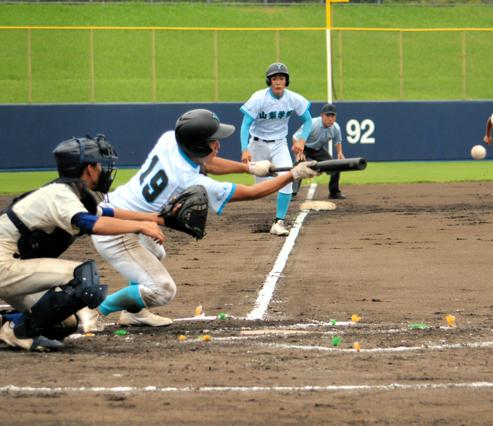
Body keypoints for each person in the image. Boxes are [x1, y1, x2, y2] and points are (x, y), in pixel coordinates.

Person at [84, 109, 319, 330]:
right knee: (163, 290)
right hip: (117, 230)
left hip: (123, 211)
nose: (218, 144)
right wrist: (292, 174)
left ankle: (134, 312)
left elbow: (207, 161)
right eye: (212, 141)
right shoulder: (188, 179)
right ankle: (96, 310)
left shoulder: (170, 140)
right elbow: (251, 193)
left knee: (156, 254)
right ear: (196, 145)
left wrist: (250, 169)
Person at [0, 135, 165, 351]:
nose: (103, 170)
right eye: (98, 164)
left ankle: (6, 323)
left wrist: (157, 218)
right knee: (82, 277)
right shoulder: (60, 195)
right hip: (4, 265)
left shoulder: (69, 194)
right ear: (88, 169)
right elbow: (90, 222)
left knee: (64, 323)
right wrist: (140, 227)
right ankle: (19, 331)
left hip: (12, 267)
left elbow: (107, 212)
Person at [239, 62, 314, 236]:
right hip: (257, 144)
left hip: (279, 144)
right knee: (259, 189)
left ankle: (278, 222)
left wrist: (302, 140)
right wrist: (244, 149)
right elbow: (245, 125)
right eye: (274, 78)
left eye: (281, 78)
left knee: (288, 179)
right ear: (269, 81)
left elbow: (308, 120)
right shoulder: (259, 98)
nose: (278, 82)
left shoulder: (293, 98)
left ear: (286, 81)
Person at [291, 103, 346, 199]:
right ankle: (292, 193)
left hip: (318, 149)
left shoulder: (336, 128)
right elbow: (295, 137)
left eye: (332, 115)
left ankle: (334, 192)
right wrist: (300, 152)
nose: (330, 118)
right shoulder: (312, 124)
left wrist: (339, 153)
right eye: (327, 115)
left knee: (335, 166)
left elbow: (338, 141)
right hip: (305, 148)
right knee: (298, 167)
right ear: (322, 115)